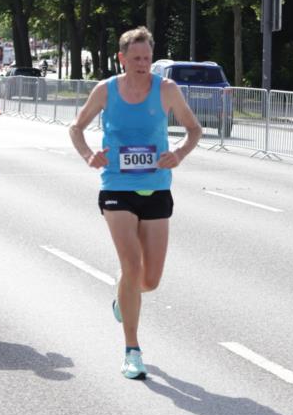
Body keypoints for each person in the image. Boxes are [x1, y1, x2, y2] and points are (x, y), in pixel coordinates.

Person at [69, 26, 202, 379]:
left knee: (150, 279)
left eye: (147, 58)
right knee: (131, 266)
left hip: (156, 187)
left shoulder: (167, 89)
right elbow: (76, 128)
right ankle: (132, 350)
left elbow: (194, 129)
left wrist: (179, 153)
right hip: (117, 186)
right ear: (122, 58)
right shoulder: (105, 90)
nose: (143, 64)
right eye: (137, 58)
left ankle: (124, 296)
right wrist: (89, 155)